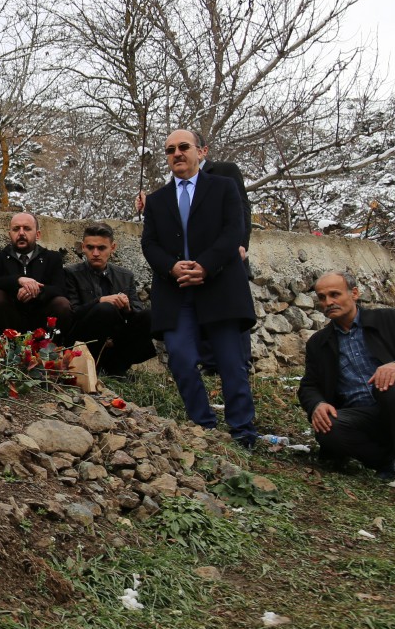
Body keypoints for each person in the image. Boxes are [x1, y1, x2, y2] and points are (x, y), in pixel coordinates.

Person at [141, 128, 258, 446]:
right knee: (179, 357)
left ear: (200, 151)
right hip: (176, 290)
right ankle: (202, 425)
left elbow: (234, 230)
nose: (176, 153)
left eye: (183, 147)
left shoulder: (223, 188)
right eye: (169, 150)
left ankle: (243, 431)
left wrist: (205, 265)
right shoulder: (156, 201)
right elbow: (149, 244)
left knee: (231, 361)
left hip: (219, 286)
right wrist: (171, 266)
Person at [298, 271, 395, 482]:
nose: (328, 302)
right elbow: (309, 385)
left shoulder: (393, 320)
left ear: (354, 293)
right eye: (322, 297)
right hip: (361, 416)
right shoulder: (318, 343)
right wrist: (317, 404)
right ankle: (385, 461)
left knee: (387, 385)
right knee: (327, 427)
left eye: (334, 294)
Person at [62, 223, 155, 378]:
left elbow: (138, 313)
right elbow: (72, 313)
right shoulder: (71, 273)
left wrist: (127, 308)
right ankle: (96, 367)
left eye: (101, 248)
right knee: (105, 308)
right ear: (83, 247)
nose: (95, 253)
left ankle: (117, 369)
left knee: (149, 316)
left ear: (113, 248)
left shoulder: (125, 276)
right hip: (85, 339)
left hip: (117, 338)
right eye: (90, 248)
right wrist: (100, 301)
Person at [0, 213, 72, 338]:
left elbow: (61, 289)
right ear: (10, 234)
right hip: (10, 318)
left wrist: (36, 290)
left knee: (62, 304)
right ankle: (3, 348)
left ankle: (50, 350)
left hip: (40, 318)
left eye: (27, 229)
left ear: (38, 234)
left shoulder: (52, 258)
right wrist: (18, 280)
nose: (21, 233)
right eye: (16, 229)